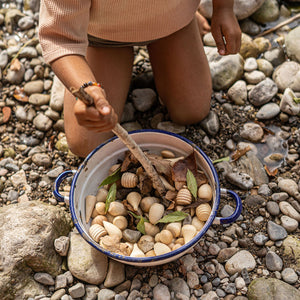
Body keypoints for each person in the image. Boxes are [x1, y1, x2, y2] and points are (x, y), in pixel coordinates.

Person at [39, 0, 241, 158]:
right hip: (102, 35)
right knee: (86, 142)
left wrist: (223, 8)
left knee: (192, 110)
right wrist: (86, 87)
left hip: (172, 22)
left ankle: (186, 17)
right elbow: (60, 38)